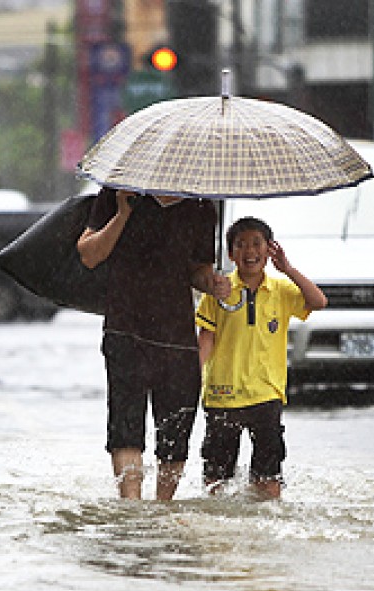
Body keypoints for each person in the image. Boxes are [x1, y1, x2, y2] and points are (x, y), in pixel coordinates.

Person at [77, 187, 231, 501]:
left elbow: (197, 271)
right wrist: (123, 213)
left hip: (176, 333)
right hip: (125, 327)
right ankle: (131, 508)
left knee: (176, 426)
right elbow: (89, 254)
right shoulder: (117, 194)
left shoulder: (202, 208)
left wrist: (211, 283)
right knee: (126, 423)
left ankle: (163, 509)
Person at [195, 216, 327, 499]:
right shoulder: (218, 292)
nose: (249, 251)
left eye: (257, 244)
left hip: (266, 395)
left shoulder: (280, 290)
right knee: (216, 480)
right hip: (222, 395)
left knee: (268, 480)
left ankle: (262, 533)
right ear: (230, 254)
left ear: (269, 250)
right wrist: (191, 378)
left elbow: (318, 301)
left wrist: (288, 269)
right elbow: (206, 338)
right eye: (240, 245)